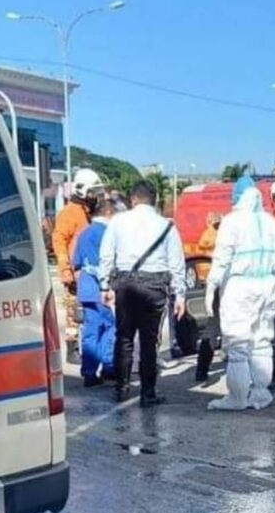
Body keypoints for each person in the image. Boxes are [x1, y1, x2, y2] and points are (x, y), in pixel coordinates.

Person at [99, 180, 186, 407]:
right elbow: (177, 263)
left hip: (126, 285)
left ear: (133, 199)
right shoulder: (167, 226)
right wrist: (180, 295)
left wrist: (104, 286)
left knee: (124, 337)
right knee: (149, 342)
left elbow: (106, 255)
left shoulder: (118, 222)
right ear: (154, 200)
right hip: (155, 287)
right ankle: (148, 393)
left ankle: (121, 388)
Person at [204, 175, 275, 411]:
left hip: (240, 286)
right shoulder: (271, 222)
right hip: (268, 285)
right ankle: (260, 394)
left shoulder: (232, 221)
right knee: (262, 341)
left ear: (237, 198)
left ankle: (237, 398)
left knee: (238, 344)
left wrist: (211, 286)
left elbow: (221, 258)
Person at [53, 169, 104, 349]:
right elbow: (59, 240)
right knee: (74, 312)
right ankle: (72, 346)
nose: (95, 196)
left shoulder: (87, 212)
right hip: (75, 272)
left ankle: (89, 344)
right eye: (92, 192)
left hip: (89, 271)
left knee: (90, 312)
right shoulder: (70, 213)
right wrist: (66, 269)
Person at [72, 199, 117, 388]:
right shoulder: (107, 233)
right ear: (108, 213)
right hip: (103, 288)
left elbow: (77, 262)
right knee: (109, 327)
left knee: (90, 330)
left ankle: (89, 372)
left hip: (87, 287)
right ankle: (108, 366)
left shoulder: (83, 234)